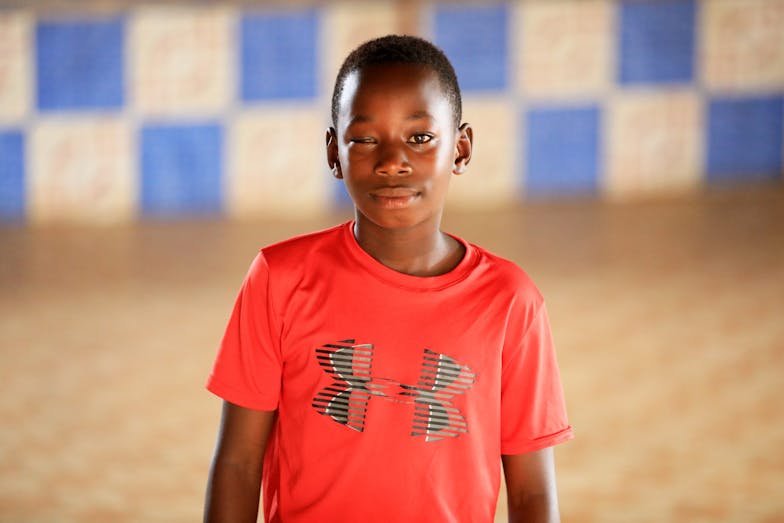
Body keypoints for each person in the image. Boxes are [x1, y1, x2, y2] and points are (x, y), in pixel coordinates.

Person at [204, 34, 573, 523]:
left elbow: (531, 496)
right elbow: (237, 463)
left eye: (419, 138)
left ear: (461, 149)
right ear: (334, 152)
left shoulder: (510, 301)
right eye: (364, 139)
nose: (392, 162)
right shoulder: (280, 279)